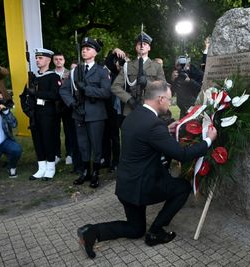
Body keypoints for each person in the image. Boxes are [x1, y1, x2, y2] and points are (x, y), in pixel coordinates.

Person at [76, 81, 217, 259]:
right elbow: (182, 154)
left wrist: (165, 130)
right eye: (169, 99)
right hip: (143, 187)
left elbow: (142, 137)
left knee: (135, 230)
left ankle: (92, 231)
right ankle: (156, 231)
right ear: (160, 98)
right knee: (183, 187)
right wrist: (209, 140)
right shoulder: (153, 125)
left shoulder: (133, 117)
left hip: (126, 187)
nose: (170, 103)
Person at [60, 37, 111, 188]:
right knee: (83, 144)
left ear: (95, 53)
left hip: (96, 114)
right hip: (79, 112)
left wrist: (86, 89)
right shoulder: (75, 71)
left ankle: (95, 173)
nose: (84, 50)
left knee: (96, 144)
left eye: (88, 48)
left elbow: (106, 92)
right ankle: (85, 172)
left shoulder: (102, 71)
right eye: (83, 48)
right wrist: (72, 103)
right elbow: (63, 90)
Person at [26, 48, 61, 181]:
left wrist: (37, 93)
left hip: (48, 113)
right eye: (36, 58)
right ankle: (41, 167)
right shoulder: (34, 77)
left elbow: (55, 95)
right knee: (38, 140)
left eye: (40, 58)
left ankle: (50, 167)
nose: (37, 60)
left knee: (48, 139)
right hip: (35, 113)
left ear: (48, 60)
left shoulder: (53, 77)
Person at [111, 32, 165, 116]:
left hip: (151, 107)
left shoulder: (156, 66)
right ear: (136, 47)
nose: (142, 46)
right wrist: (129, 99)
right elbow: (115, 87)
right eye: (140, 44)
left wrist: (148, 83)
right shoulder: (127, 66)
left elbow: (163, 86)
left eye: (145, 44)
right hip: (131, 108)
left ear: (149, 48)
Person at [101, 48, 127, 172]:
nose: (119, 65)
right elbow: (108, 63)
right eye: (118, 62)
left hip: (125, 111)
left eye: (122, 63)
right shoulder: (113, 74)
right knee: (112, 136)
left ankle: (124, 160)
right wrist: (113, 51)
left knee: (126, 137)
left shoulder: (130, 75)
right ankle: (112, 161)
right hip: (111, 111)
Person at [53, 52, 74, 166]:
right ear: (53, 61)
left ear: (64, 61)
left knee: (69, 130)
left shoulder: (70, 73)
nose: (58, 61)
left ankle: (69, 154)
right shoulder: (50, 74)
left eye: (60, 59)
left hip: (66, 105)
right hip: (54, 105)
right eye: (56, 59)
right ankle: (56, 154)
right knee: (55, 130)